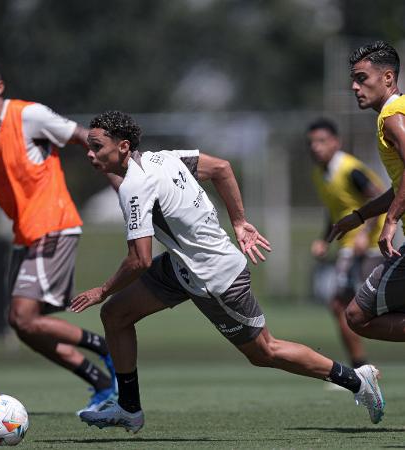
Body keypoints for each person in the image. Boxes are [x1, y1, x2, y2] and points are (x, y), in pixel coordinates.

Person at [71, 110, 385, 433]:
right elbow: (221, 168)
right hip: (183, 266)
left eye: (97, 146)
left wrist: (101, 289)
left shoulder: (134, 187)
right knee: (116, 315)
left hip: (213, 279)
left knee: (265, 351)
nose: (91, 154)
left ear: (123, 147)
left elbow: (138, 260)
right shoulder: (164, 158)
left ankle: (356, 380)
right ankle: (129, 408)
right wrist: (238, 221)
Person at [0, 59, 118, 415]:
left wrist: (119, 177)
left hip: (54, 224)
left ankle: (106, 349)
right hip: (26, 234)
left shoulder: (29, 116)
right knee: (24, 326)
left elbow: (83, 136)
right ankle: (102, 382)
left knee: (24, 317)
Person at [328, 41, 405, 345]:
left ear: (387, 78)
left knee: (357, 316)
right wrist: (360, 216)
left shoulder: (392, 118)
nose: (354, 87)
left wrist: (390, 222)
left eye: (361, 78)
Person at [307, 118, 385, 369]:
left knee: (348, 306)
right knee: (341, 305)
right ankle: (360, 368)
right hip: (349, 245)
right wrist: (324, 239)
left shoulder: (350, 169)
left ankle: (360, 368)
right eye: (311, 143)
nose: (316, 147)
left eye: (322, 141)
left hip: (370, 245)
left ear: (336, 142)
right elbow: (336, 210)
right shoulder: (320, 174)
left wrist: (365, 233)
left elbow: (378, 198)